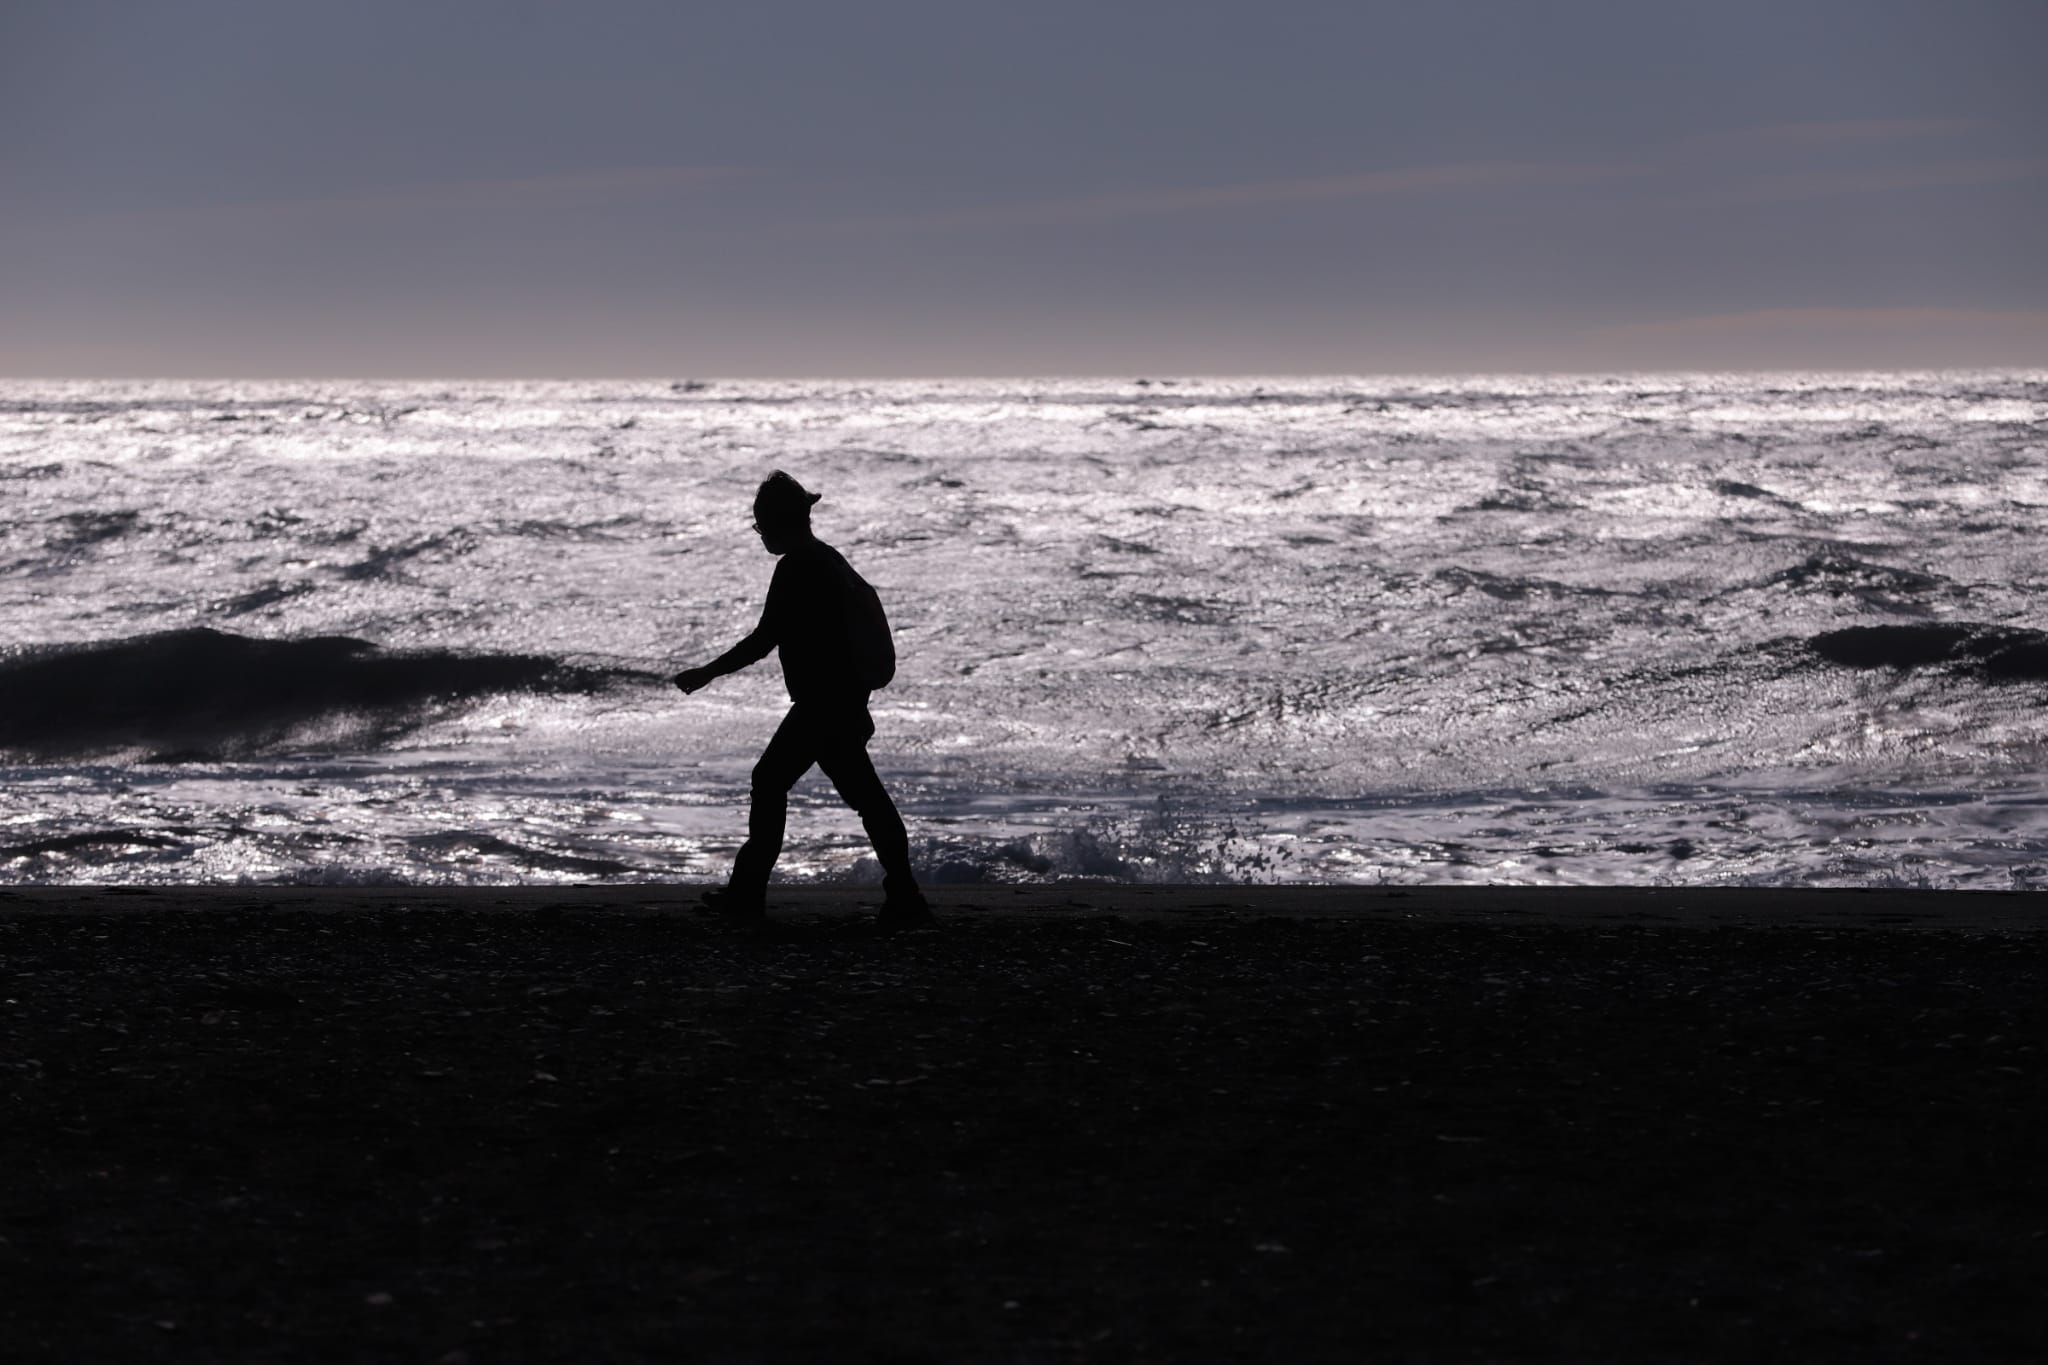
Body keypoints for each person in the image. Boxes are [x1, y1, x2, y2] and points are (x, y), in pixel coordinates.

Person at [673, 472, 932, 927]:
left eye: (762, 525)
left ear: (780, 522)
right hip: (844, 703)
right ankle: (905, 894)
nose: (760, 535)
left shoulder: (798, 567)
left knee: (772, 781)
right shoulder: (830, 560)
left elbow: (764, 639)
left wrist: (707, 673)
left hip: (822, 707)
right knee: (866, 799)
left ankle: (747, 895)